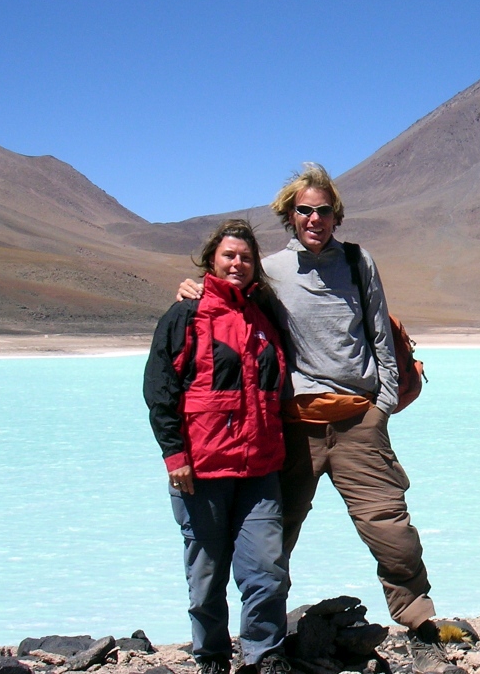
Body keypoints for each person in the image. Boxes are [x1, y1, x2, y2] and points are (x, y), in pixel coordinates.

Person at [178, 164, 455, 674]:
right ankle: (261, 641)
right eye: (304, 209)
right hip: (291, 427)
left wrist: (381, 407)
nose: (314, 218)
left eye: (324, 210)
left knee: (388, 526)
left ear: (336, 215)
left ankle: (418, 619)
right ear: (289, 215)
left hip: (358, 420)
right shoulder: (272, 270)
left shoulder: (357, 261)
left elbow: (379, 332)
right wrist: (194, 288)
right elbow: (232, 297)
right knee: (271, 535)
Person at [146, 219, 290, 674]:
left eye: (246, 257)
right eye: (229, 255)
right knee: (206, 578)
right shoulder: (185, 315)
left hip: (260, 469)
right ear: (212, 259)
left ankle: (264, 656)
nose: (237, 263)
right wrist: (175, 458)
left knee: (266, 570)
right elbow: (160, 392)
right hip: (202, 470)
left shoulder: (263, 314)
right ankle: (211, 657)